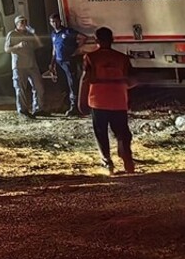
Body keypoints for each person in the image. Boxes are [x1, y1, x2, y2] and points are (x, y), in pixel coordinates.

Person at [79, 26, 137, 173]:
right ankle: (127, 160)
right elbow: (131, 80)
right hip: (118, 100)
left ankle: (107, 162)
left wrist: (81, 101)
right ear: (112, 40)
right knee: (122, 132)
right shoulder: (122, 58)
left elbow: (86, 79)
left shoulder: (90, 58)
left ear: (96, 40)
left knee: (101, 132)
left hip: (98, 101)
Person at [5, 16, 43, 118]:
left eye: (25, 22)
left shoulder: (28, 34)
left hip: (32, 64)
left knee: (39, 87)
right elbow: (6, 49)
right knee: (20, 89)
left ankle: (38, 108)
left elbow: (39, 44)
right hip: (19, 65)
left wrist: (34, 33)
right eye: (22, 22)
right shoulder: (12, 34)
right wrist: (18, 46)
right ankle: (23, 111)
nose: (24, 24)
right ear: (17, 24)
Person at [48, 14, 82, 116]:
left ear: (60, 21)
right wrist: (52, 63)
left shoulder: (68, 32)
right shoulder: (53, 34)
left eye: (56, 21)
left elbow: (83, 38)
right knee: (63, 84)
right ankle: (65, 104)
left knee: (72, 83)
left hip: (68, 61)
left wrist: (76, 50)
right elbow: (54, 49)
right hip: (59, 62)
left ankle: (74, 105)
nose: (55, 24)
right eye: (52, 22)